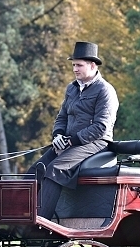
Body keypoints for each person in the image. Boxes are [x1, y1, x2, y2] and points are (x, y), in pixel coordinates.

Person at [28, 41, 119, 220]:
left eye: (79, 65)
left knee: (55, 169)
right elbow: (61, 118)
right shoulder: (72, 88)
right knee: (35, 170)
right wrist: (58, 135)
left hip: (96, 144)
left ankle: (40, 222)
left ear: (92, 66)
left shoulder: (105, 90)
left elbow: (101, 127)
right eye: (73, 65)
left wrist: (72, 140)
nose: (75, 69)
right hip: (70, 142)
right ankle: (21, 215)